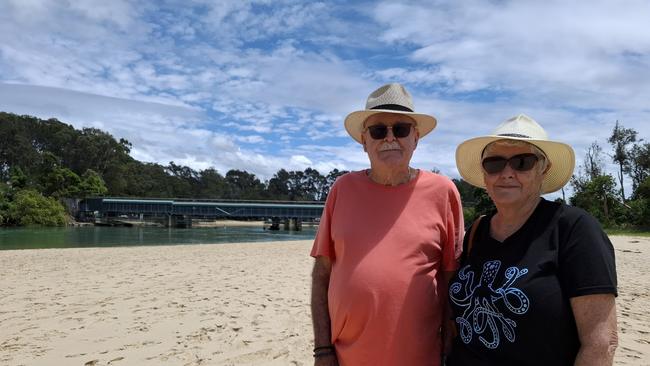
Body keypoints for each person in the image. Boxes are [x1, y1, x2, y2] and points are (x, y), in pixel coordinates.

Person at [310, 83, 464, 366]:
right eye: (379, 130)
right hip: (345, 358)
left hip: (421, 357)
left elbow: (450, 278)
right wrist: (322, 350)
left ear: (415, 138)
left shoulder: (444, 192)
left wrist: (449, 344)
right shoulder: (341, 189)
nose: (390, 138)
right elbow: (321, 275)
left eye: (401, 129)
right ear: (363, 140)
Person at [448, 114, 618, 365]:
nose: (506, 173)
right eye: (494, 163)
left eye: (522, 162)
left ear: (543, 168)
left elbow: (601, 343)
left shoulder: (572, 229)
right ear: (485, 174)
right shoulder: (476, 232)